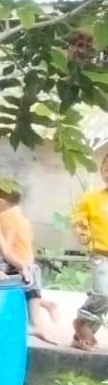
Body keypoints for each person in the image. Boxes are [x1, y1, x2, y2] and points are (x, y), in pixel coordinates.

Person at [0, 185, 70, 345]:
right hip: (27, 258)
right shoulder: (20, 216)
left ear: (1, 201)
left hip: (16, 259)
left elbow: (7, 247)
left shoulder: (6, 217)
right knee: (27, 284)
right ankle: (46, 305)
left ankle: (36, 321)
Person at [71, 149, 108, 350]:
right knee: (104, 294)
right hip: (101, 254)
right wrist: (82, 230)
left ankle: (80, 337)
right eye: (107, 169)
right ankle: (81, 321)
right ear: (102, 170)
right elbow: (79, 218)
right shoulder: (92, 199)